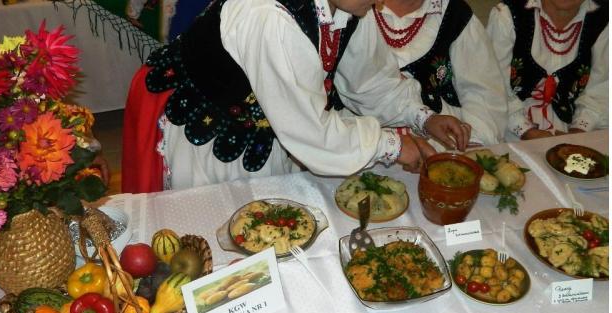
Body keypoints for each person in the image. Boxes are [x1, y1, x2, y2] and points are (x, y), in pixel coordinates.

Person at [122, 0, 470, 193]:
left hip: (271, 118)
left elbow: (369, 80)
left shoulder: (350, 5)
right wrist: (391, 145)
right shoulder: (268, 16)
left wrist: (422, 116)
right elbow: (311, 132)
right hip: (209, 124)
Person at [364, 0, 508, 148]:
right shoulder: (355, 10)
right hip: (365, 147)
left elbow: (483, 94)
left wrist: (470, 142)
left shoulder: (454, 13)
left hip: (443, 147)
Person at [486, 0, 608, 141]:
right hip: (509, 129)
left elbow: (602, 90)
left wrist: (579, 130)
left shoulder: (603, 19)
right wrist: (525, 130)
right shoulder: (507, 15)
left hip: (578, 129)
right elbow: (493, 87)